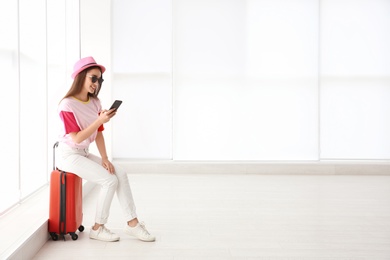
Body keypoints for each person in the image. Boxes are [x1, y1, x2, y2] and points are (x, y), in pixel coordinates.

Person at [56, 56, 155, 242]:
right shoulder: (67, 105)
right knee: (109, 181)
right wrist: (99, 120)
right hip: (68, 154)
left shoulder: (95, 102)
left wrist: (105, 158)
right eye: (93, 78)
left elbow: (99, 132)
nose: (96, 83)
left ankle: (132, 224)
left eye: (99, 80)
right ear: (80, 77)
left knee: (121, 173)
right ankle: (97, 228)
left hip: (83, 153)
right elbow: (76, 137)